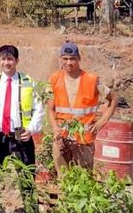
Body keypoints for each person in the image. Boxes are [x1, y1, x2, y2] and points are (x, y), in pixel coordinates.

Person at [47, 42, 117, 172]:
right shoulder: (53, 79)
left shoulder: (92, 80)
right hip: (61, 140)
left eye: (72, 58)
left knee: (83, 182)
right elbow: (50, 109)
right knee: (63, 182)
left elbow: (114, 98)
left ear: (79, 58)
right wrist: (56, 129)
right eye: (65, 59)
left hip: (84, 141)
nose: (69, 62)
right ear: (60, 59)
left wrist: (102, 122)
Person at [0, 45, 44, 167]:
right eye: (3, 59)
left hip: (21, 134)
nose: (6, 62)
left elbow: (38, 109)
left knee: (26, 177)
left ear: (16, 61)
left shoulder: (27, 81)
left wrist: (31, 129)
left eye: (10, 59)